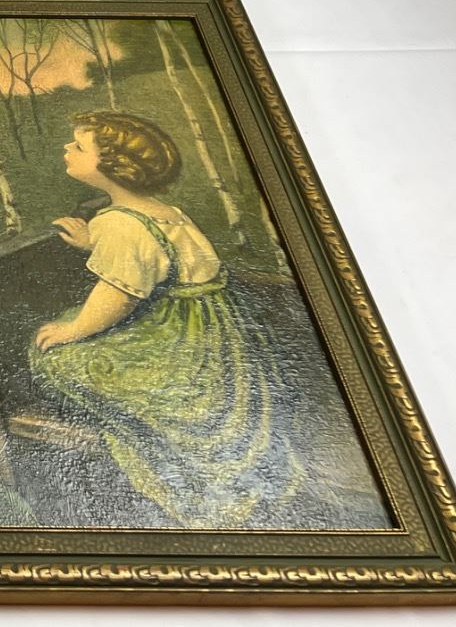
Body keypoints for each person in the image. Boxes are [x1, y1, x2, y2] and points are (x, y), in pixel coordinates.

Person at [28, 111, 306, 529]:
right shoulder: (163, 211)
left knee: (56, 356)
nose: (68, 148)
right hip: (216, 331)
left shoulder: (120, 224)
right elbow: (151, 257)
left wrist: (74, 331)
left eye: (79, 146)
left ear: (114, 167)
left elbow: (118, 296)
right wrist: (93, 242)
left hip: (181, 342)